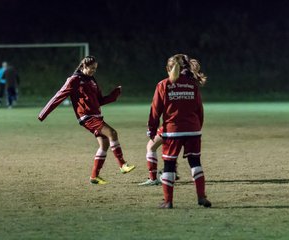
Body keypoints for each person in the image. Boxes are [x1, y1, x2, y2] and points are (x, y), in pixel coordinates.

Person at [38, 56, 135, 184]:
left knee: (104, 144)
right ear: (83, 66)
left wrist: (114, 95)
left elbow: (99, 101)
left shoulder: (92, 81)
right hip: (86, 117)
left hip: (96, 116)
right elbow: (58, 96)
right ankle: (122, 165)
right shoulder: (74, 80)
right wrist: (43, 113)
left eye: (95, 69)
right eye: (91, 68)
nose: (93, 71)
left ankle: (94, 176)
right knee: (112, 133)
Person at [147, 54, 211, 208]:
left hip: (173, 132)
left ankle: (168, 201)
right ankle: (201, 197)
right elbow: (199, 110)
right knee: (195, 163)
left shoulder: (163, 85)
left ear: (168, 68)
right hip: (193, 130)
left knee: (169, 165)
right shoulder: (192, 84)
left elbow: (155, 111)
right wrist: (196, 128)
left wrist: (152, 129)